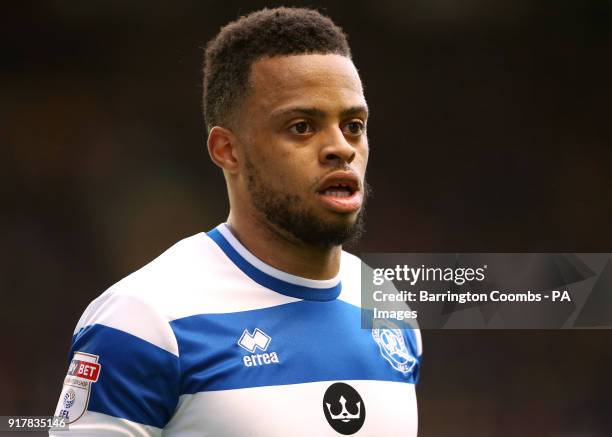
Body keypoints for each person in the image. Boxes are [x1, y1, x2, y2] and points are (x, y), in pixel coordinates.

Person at [51, 7, 422, 436]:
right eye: (302, 127)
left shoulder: (386, 309)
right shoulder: (143, 321)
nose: (341, 148)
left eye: (353, 125)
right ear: (227, 149)